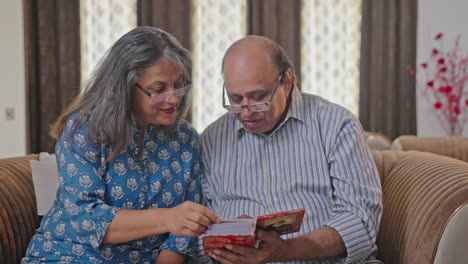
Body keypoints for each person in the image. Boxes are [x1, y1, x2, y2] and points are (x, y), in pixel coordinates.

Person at [22, 26, 220, 263]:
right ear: (125, 87)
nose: (174, 98)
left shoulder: (186, 138)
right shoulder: (85, 130)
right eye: (159, 90)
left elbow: (182, 234)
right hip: (72, 255)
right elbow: (85, 218)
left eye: (179, 85)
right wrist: (169, 218)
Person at [199, 35, 383, 263]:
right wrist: (227, 238)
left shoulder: (336, 125)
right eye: (235, 99)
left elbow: (360, 221)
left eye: (258, 97)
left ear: (287, 81)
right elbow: (196, 232)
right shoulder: (210, 140)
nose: (245, 112)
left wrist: (286, 249)